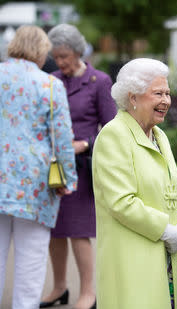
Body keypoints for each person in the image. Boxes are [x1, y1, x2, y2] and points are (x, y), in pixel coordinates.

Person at [92, 58, 177, 309]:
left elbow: (175, 190)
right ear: (132, 97)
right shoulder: (114, 135)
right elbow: (121, 202)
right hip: (130, 262)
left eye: (168, 93)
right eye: (158, 93)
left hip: (165, 259)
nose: (166, 101)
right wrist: (167, 231)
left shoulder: (159, 136)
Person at [0, 25, 77, 309]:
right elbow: (63, 138)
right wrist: (68, 180)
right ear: (41, 51)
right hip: (35, 185)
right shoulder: (49, 85)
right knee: (31, 261)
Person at [40, 24, 116, 309]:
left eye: (65, 56)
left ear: (78, 52)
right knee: (54, 230)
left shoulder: (100, 81)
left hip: (82, 169)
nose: (60, 63)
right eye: (56, 57)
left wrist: (85, 143)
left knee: (78, 231)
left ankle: (88, 293)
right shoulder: (50, 80)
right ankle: (59, 288)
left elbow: (111, 129)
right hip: (53, 168)